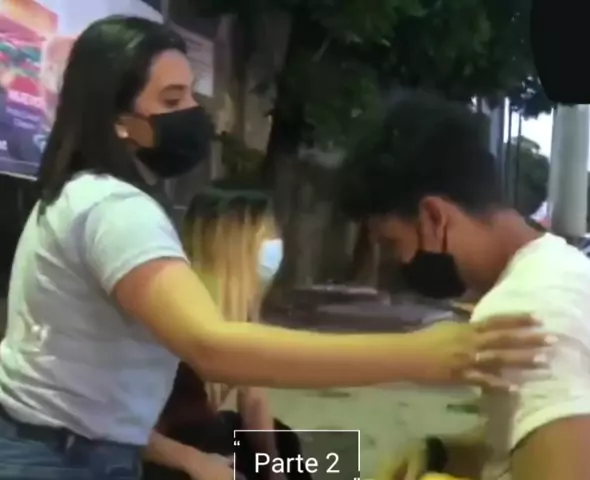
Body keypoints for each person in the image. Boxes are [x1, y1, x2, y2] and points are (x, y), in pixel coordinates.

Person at [0, 16, 550, 480]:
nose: (197, 111)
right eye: (172, 99)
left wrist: (272, 464)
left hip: (92, 450)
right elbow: (212, 348)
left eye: (190, 92)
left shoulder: (89, 202)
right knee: (308, 457)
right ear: (118, 120)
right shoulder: (114, 210)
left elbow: (250, 395)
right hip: (78, 457)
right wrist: (420, 355)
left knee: (320, 455)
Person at [339, 91, 590, 480]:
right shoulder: (565, 267)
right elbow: (530, 440)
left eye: (391, 243)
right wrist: (441, 455)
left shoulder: (523, 310)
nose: (395, 262)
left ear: (434, 217)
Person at [143, 183, 309, 480]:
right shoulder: (170, 315)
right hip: (150, 454)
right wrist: (198, 464)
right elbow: (118, 427)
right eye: (266, 235)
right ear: (232, 246)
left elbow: (253, 397)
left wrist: (274, 470)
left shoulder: (239, 309)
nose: (275, 245)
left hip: (195, 440)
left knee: (280, 441)